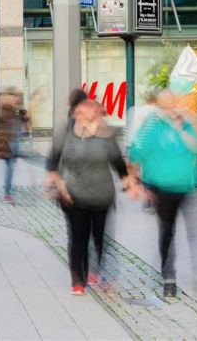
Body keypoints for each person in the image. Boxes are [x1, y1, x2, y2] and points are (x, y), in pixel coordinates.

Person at [128, 89, 197, 299]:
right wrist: (136, 183)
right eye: (164, 107)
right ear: (158, 108)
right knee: (167, 233)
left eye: (172, 104)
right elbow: (135, 152)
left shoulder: (191, 122)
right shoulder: (152, 125)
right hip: (162, 189)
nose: (170, 110)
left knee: (195, 234)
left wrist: (190, 125)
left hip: (191, 187)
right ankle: (169, 278)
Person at [45, 98, 132, 296]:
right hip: (73, 195)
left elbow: (117, 161)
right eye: (81, 110)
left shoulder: (106, 134)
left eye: (90, 110)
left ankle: (94, 270)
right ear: (75, 112)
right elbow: (53, 157)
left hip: (102, 195)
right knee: (78, 237)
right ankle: (77, 279)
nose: (84, 114)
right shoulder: (66, 131)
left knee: (99, 238)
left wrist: (127, 180)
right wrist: (54, 177)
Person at [0, 88, 22, 203]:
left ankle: (8, 191)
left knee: (9, 169)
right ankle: (8, 193)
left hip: (6, 144)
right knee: (9, 169)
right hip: (10, 144)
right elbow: (13, 130)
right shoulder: (10, 112)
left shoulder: (4, 111)